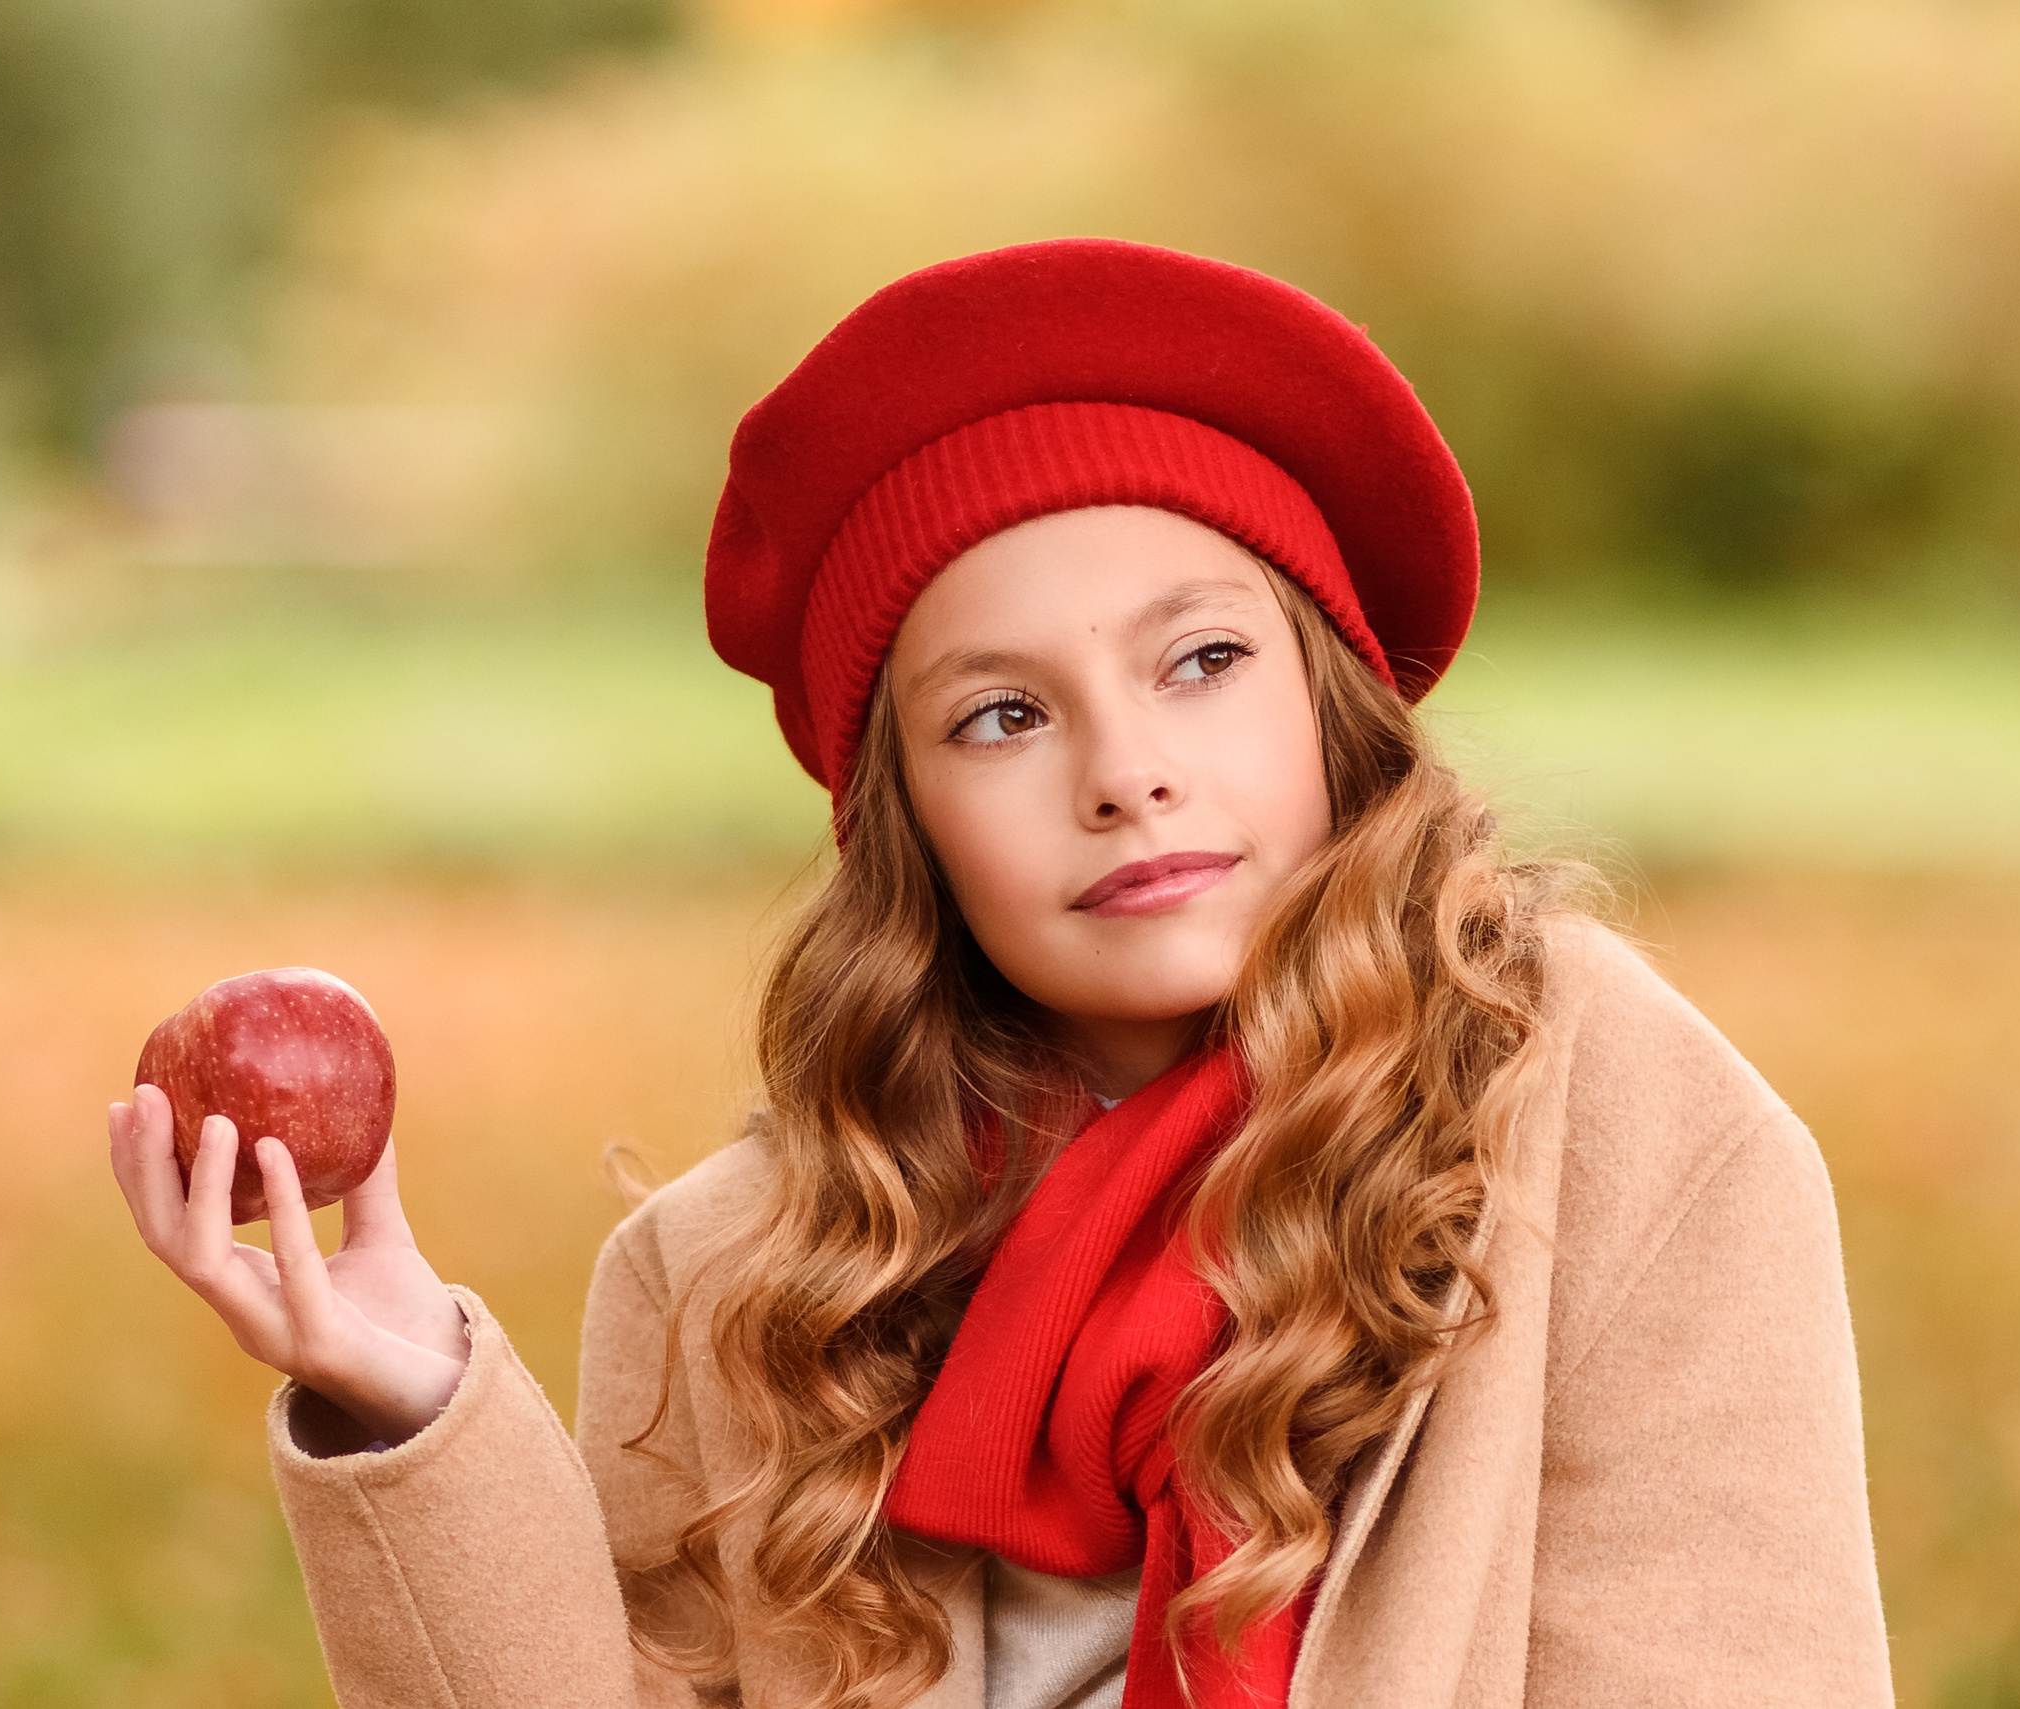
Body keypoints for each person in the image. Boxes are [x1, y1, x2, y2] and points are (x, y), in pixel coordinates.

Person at [108, 239, 1892, 1709]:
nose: (1126, 770)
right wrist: (407, 1394)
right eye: (1003, 715)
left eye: (1201, 660)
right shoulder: (742, 1277)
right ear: (912, 825)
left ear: (1332, 704)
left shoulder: (1602, 1115)